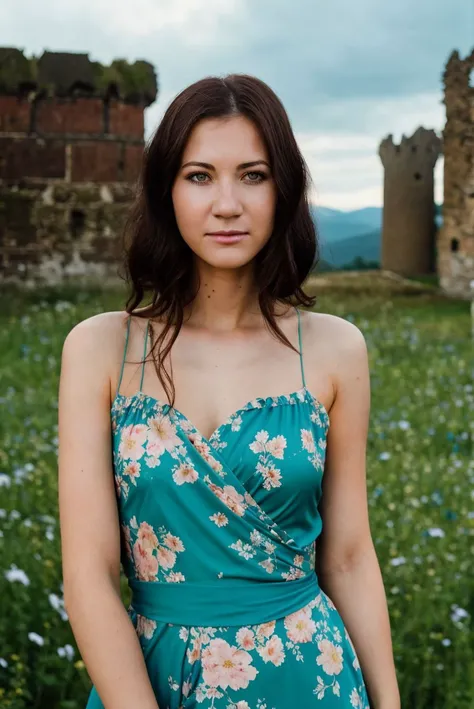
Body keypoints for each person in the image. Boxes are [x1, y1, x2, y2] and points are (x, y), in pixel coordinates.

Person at [58, 73, 400, 709]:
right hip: (153, 682)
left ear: (284, 190)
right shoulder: (99, 349)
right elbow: (89, 575)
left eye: (253, 174)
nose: (227, 204)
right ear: (166, 190)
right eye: (198, 176)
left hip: (309, 677)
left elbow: (349, 558)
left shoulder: (334, 350)